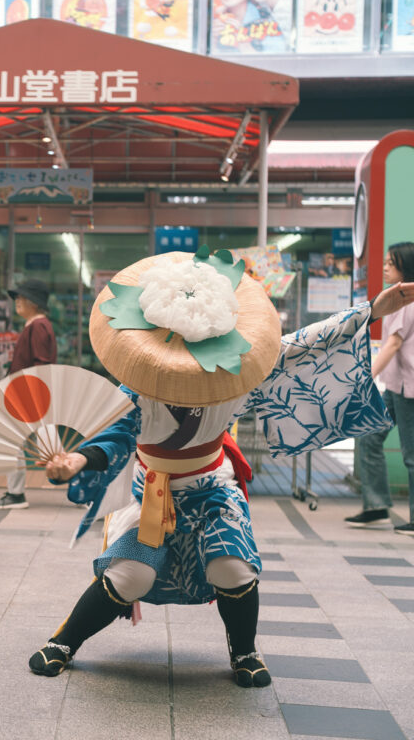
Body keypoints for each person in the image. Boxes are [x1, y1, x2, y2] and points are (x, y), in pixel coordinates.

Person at [27, 248, 414, 688]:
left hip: (213, 486)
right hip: (149, 489)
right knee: (129, 575)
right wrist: (75, 461)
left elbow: (306, 343)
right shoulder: (141, 380)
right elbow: (114, 436)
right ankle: (65, 641)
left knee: (233, 568)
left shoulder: (239, 369)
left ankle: (244, 650)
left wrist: (375, 311)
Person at [348, 242, 414, 532]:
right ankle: (376, 507)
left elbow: (394, 344)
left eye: (391, 262)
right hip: (396, 385)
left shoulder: (405, 298)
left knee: (411, 455)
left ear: (405, 266)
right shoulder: (398, 296)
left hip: (410, 389)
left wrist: (366, 375)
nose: (385, 266)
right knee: (369, 436)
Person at [0, 278, 57, 509]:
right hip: (32, 394)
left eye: (22, 297)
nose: (18, 301)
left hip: (29, 395)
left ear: (35, 303)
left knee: (19, 443)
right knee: (50, 446)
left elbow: (41, 363)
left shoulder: (37, 326)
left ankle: (15, 494)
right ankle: (85, 491)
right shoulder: (37, 325)